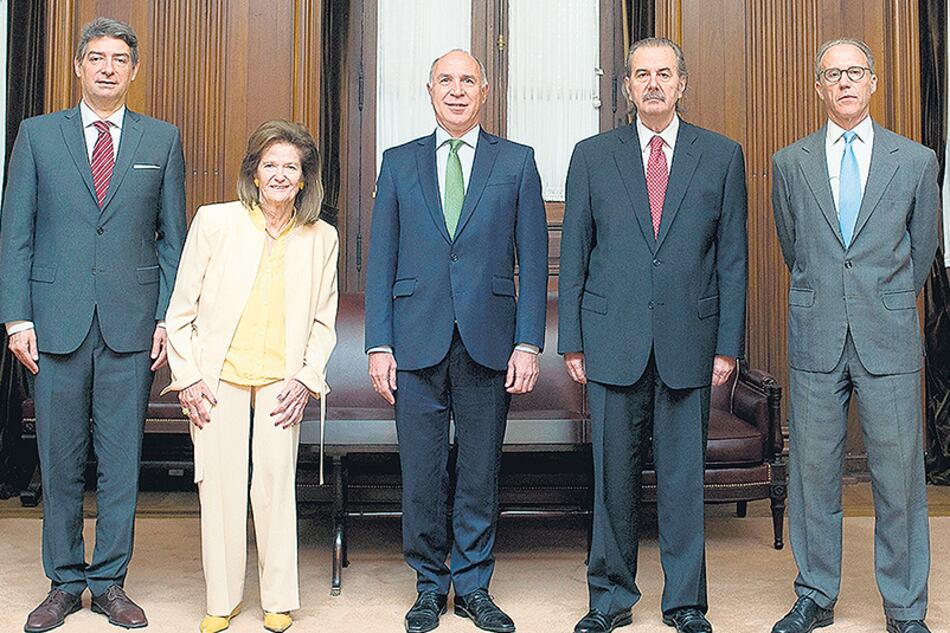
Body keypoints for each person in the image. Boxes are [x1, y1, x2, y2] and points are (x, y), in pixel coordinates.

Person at [0, 17, 186, 632]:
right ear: (78, 68)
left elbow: (171, 242)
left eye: (120, 59)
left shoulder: (161, 140)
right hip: (51, 322)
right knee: (57, 457)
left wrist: (165, 316)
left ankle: (109, 582)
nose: (108, 68)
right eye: (96, 58)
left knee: (120, 457)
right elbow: (16, 235)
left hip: (131, 326)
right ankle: (63, 582)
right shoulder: (36, 135)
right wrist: (16, 317)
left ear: (134, 71)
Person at [558, 37, 747, 633]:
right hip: (613, 343)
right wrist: (572, 342)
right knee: (613, 483)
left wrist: (727, 345)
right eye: (641, 75)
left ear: (682, 83)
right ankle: (609, 600)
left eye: (664, 73)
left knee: (682, 484)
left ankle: (686, 603)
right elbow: (577, 255)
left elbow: (733, 260)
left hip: (689, 344)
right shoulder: (592, 155)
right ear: (628, 87)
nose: (653, 84)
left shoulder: (721, 155)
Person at [364, 49, 548, 633]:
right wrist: (378, 344)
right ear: (429, 90)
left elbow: (535, 262)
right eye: (447, 80)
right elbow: (380, 260)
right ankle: (427, 586)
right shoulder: (397, 163)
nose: (458, 90)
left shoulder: (517, 162)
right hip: (414, 339)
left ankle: (472, 586)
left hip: (489, 340)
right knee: (420, 471)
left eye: (468, 80)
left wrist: (528, 343)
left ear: (486, 90)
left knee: (478, 471)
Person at [770, 38, 937, 633]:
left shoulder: (915, 162)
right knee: (813, 476)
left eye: (854, 72)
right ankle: (815, 594)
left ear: (873, 82)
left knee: (899, 479)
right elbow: (796, 249)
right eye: (831, 74)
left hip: (887, 335)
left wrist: (883, 299)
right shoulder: (790, 163)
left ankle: (904, 608)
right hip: (817, 336)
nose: (844, 82)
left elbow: (921, 254)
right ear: (818, 87)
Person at [162, 119, 338, 633]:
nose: (280, 175)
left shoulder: (320, 236)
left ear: (304, 179)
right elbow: (180, 312)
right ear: (254, 173)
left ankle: (279, 598)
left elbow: (325, 321)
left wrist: (307, 379)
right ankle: (222, 599)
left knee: (275, 485)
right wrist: (189, 377)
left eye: (291, 166)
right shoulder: (215, 221)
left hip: (283, 381)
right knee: (218, 486)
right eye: (270, 165)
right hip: (219, 379)